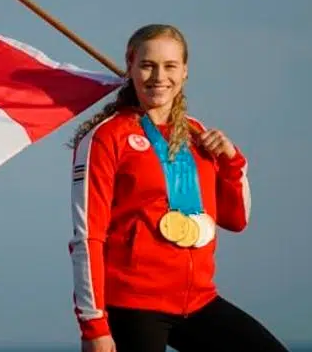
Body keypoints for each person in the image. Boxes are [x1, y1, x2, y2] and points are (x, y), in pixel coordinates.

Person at [67, 24, 288, 352]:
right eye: (147, 65)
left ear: (184, 72)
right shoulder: (105, 138)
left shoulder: (199, 135)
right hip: (134, 305)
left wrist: (231, 162)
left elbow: (235, 219)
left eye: (170, 66)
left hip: (198, 302)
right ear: (130, 67)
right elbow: (88, 236)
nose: (159, 76)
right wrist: (93, 326)